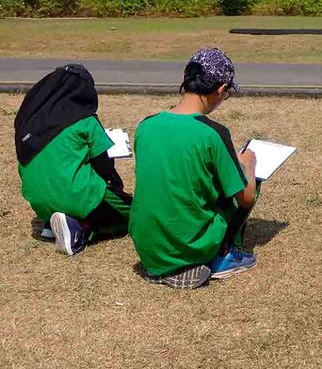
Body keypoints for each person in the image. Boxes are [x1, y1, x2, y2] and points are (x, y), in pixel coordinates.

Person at [130, 48, 259, 289]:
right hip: (189, 243)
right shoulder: (213, 133)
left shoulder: (146, 125)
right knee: (249, 182)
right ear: (220, 90)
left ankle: (166, 262)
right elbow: (245, 198)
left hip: (146, 245)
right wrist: (248, 165)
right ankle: (223, 255)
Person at [15, 64, 130, 256]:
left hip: (40, 205)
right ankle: (80, 228)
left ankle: (52, 223)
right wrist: (115, 186)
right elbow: (104, 165)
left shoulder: (27, 124)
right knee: (134, 215)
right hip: (78, 198)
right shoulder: (85, 120)